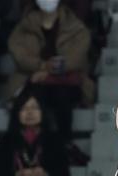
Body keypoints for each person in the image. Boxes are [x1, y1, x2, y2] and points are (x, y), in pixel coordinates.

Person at [7, 0, 94, 141]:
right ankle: (26, 147)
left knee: (62, 97)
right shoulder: (25, 25)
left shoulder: (74, 25)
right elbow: (18, 54)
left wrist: (48, 71)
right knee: (30, 99)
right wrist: (41, 66)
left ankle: (64, 144)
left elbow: (77, 58)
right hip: (32, 78)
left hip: (65, 81)